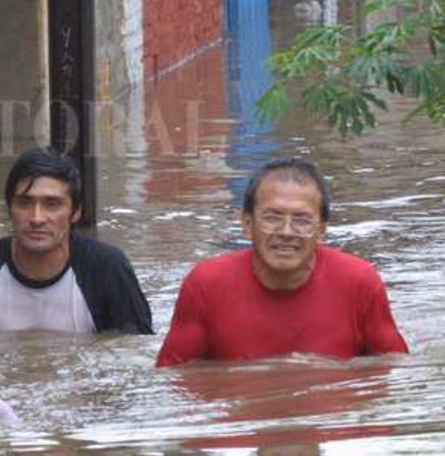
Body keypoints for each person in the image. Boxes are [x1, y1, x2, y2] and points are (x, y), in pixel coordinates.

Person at [156, 157, 407, 366]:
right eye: (272, 217)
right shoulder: (206, 285)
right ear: (247, 224)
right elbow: (173, 380)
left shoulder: (359, 281)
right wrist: (252, 374)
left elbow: (395, 369)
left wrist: (338, 371)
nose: (286, 231)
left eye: (302, 220)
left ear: (321, 231)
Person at [0, 146, 153, 334]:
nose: (36, 218)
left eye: (52, 204)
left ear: (75, 212)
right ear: (9, 209)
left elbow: (135, 353)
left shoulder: (107, 269)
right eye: (24, 203)